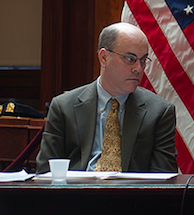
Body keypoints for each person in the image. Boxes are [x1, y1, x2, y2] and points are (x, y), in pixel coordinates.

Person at [36, 22, 178, 174]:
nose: (138, 68)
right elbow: (46, 171)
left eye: (143, 60)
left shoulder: (159, 112)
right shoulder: (64, 107)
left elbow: (164, 179)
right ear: (103, 57)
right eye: (130, 59)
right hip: (78, 194)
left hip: (131, 195)